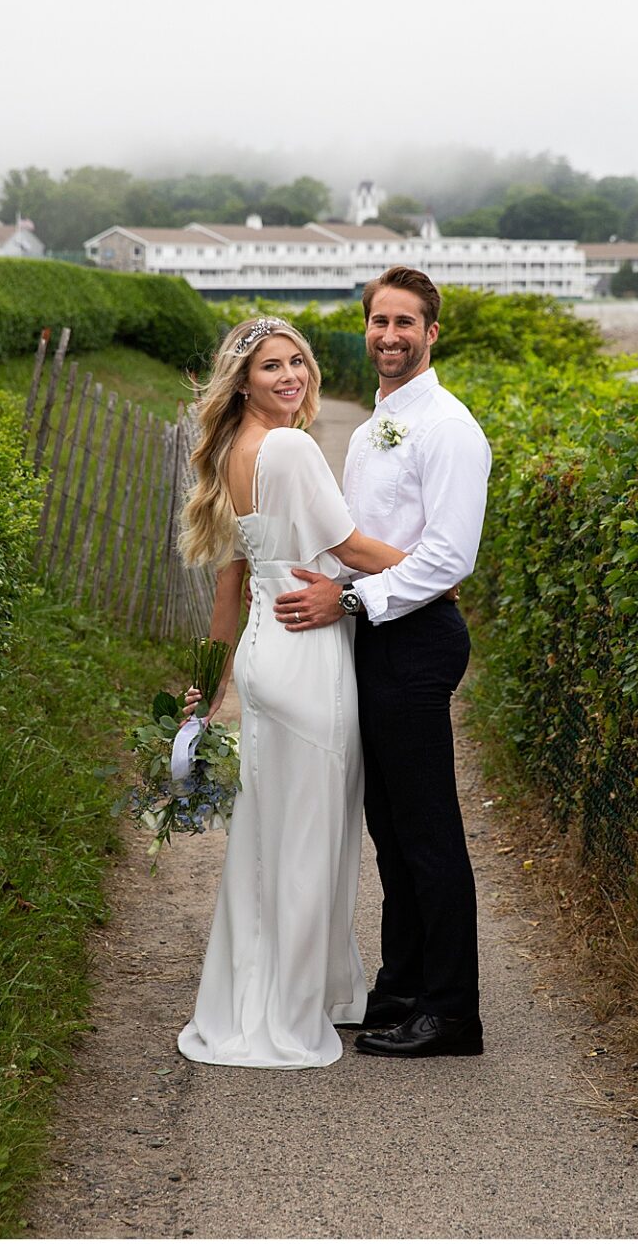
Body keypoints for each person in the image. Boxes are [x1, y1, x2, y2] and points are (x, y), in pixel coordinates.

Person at [172, 316, 413, 1069]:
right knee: (311, 839)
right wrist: (434, 574)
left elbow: (229, 588)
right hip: (307, 654)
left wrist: (209, 688)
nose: (292, 377)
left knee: (269, 835)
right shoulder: (289, 447)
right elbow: (351, 549)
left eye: (297, 363)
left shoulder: (231, 453)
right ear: (243, 381)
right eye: (272, 366)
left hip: (262, 653)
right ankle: (291, 1008)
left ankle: (297, 991)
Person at [272, 266, 491, 1059]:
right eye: (379, 321)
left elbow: (449, 557)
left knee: (427, 829)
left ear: (432, 333)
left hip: (418, 636)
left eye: (405, 323)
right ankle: (401, 986)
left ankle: (452, 1012)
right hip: (376, 634)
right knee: (390, 827)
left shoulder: (450, 429)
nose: (390, 335)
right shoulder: (370, 431)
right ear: (365, 329)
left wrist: (350, 599)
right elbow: (358, 538)